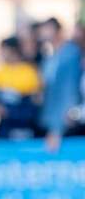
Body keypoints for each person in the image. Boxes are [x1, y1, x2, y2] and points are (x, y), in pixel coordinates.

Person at [36, 17, 83, 153]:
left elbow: (68, 91)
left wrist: (57, 128)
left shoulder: (70, 53)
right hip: (51, 119)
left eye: (47, 29)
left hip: (66, 122)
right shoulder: (49, 56)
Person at [0, 36, 42, 140]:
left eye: (4, 50)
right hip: (3, 129)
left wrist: (9, 112)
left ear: (13, 50)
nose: (1, 53)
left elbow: (34, 105)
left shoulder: (29, 72)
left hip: (24, 127)